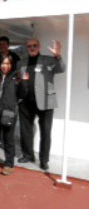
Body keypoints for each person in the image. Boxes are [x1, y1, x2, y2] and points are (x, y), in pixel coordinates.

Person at [17, 39, 65, 170]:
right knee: (25, 131)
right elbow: (18, 80)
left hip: (46, 102)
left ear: (39, 47)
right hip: (26, 102)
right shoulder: (21, 63)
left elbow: (61, 69)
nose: (32, 48)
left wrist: (58, 55)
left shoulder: (49, 60)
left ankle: (44, 160)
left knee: (45, 132)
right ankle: (27, 155)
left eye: (34, 45)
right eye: (29, 46)